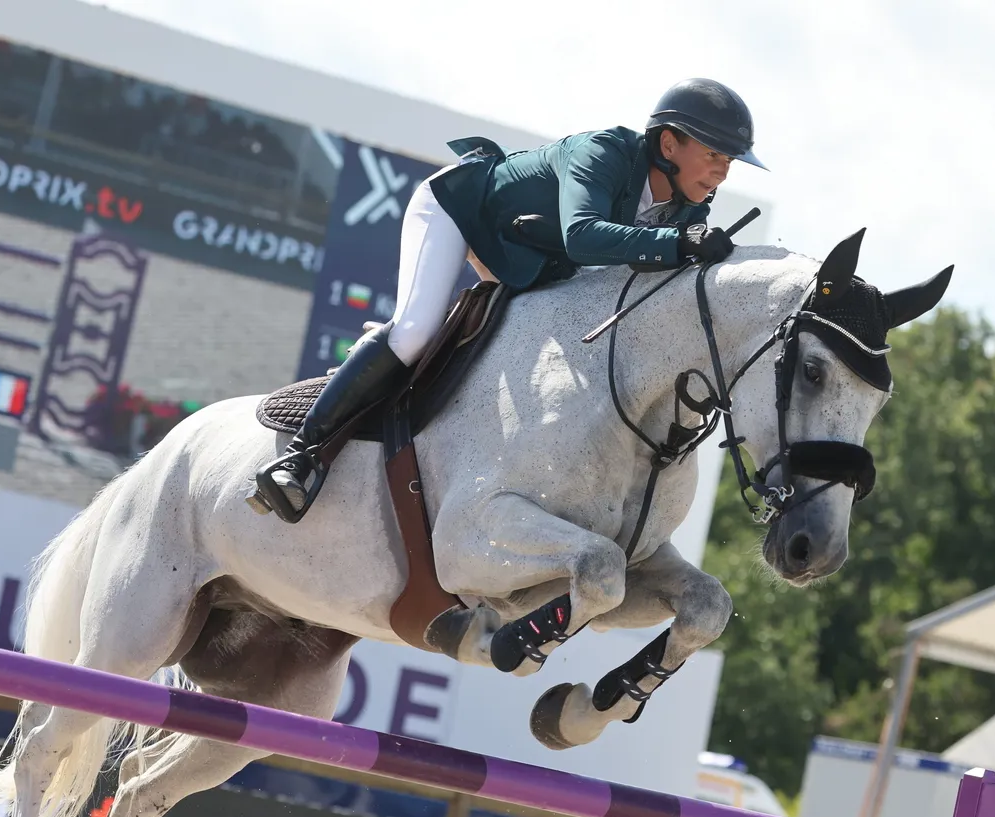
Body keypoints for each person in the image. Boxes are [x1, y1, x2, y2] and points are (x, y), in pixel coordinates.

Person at [259, 77, 767, 521]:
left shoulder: (690, 201)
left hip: (531, 255)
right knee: (415, 330)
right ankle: (300, 456)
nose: (722, 171)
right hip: (461, 212)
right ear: (670, 143)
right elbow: (584, 236)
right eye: (715, 155)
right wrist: (680, 244)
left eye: (729, 161)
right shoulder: (605, 152)